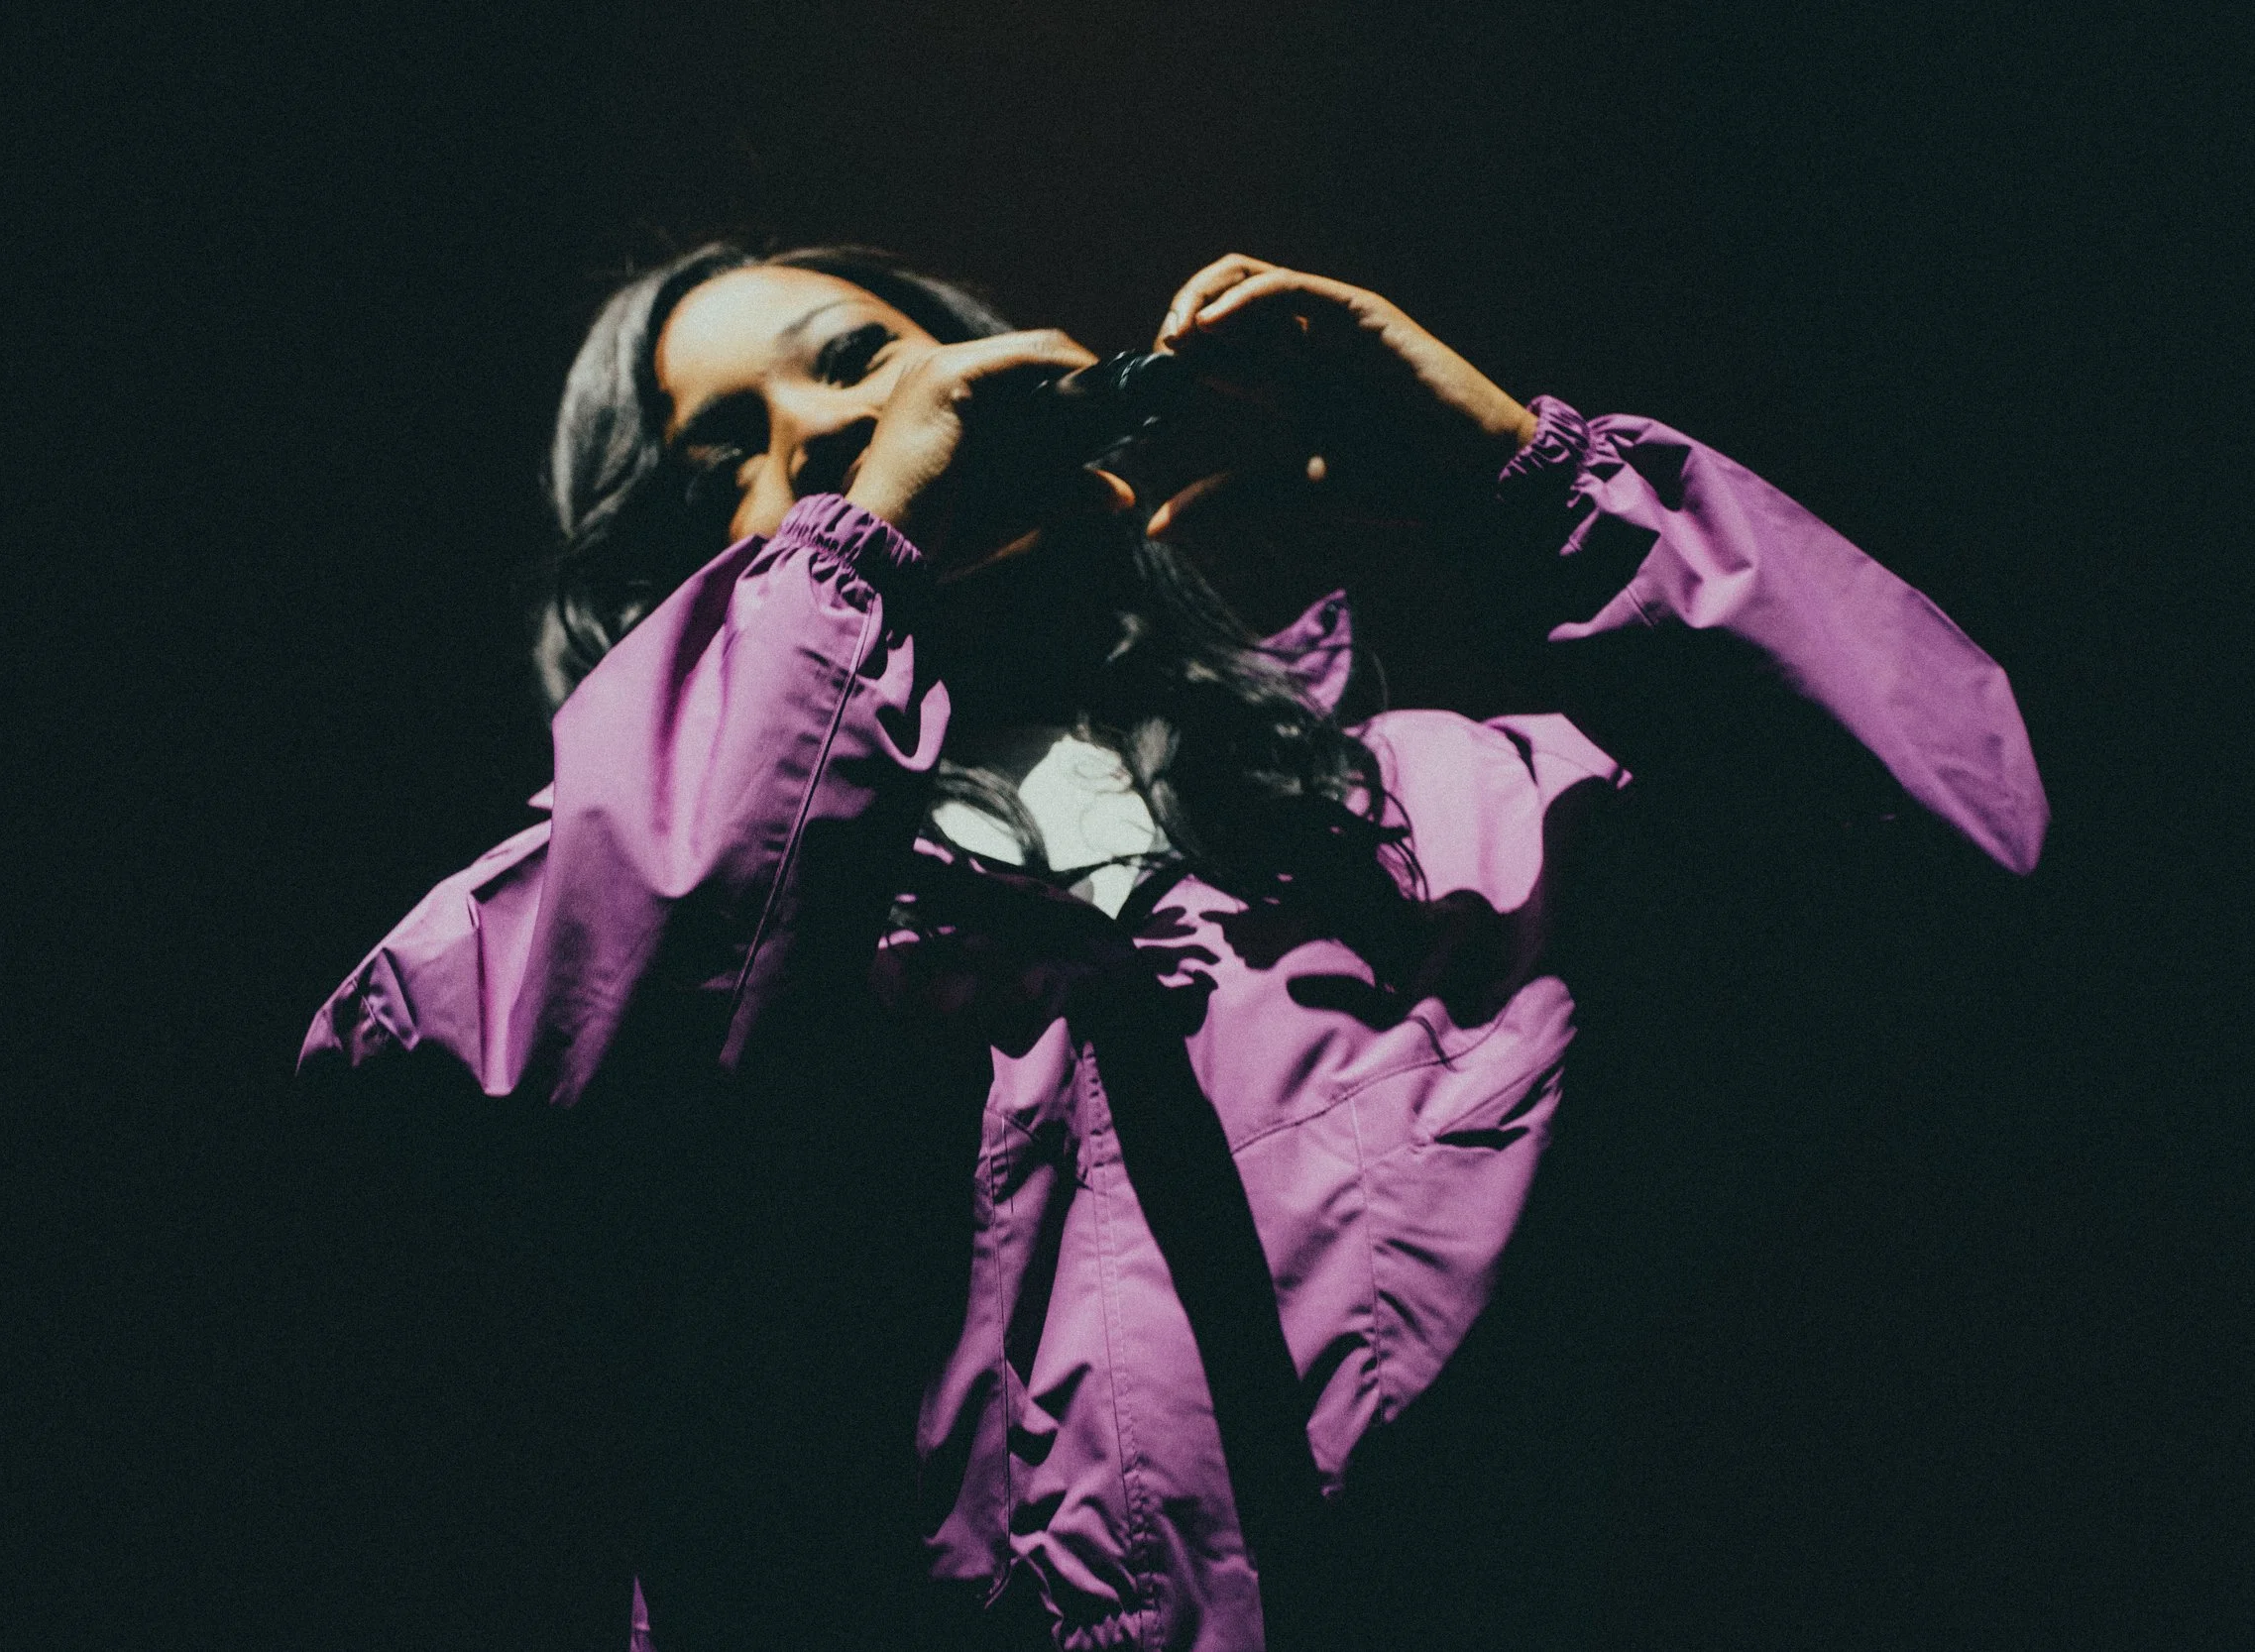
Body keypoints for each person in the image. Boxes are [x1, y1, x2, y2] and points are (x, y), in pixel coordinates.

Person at [299, 242, 2046, 1651]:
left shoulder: (1442, 824)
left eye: (847, 363)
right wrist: (851, 569)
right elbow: (513, 1107)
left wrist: (1509, 472)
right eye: (728, 468)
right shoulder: (634, 949)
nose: (816, 441)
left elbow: (1944, 832)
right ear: (686, 598)